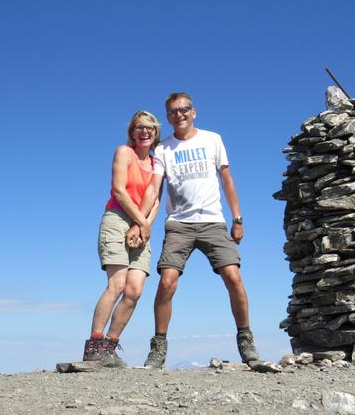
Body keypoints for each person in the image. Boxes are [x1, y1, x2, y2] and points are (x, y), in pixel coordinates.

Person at [128, 92, 261, 368]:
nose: (180, 114)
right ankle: (158, 347)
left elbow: (227, 180)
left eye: (184, 109)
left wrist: (237, 218)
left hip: (213, 221)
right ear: (168, 117)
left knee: (233, 277)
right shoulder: (163, 149)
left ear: (194, 112)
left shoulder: (213, 139)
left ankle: (246, 339)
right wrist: (139, 221)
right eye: (174, 111)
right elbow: (154, 188)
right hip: (179, 224)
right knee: (167, 282)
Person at [83, 110, 161, 367]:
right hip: (117, 218)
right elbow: (119, 189)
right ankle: (94, 346)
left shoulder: (155, 162)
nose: (145, 131)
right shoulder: (123, 153)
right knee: (116, 285)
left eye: (150, 127)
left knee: (134, 290)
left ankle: (110, 347)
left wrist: (145, 226)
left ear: (155, 132)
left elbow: (156, 198)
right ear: (132, 131)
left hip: (141, 225)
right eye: (139, 127)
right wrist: (140, 221)